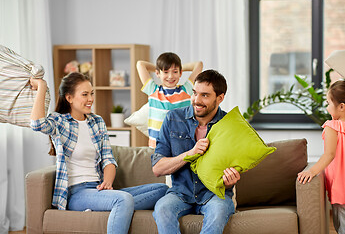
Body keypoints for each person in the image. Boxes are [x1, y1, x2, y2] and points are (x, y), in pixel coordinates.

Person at [30, 72, 168, 234]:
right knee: (123, 199)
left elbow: (108, 159)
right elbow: (37, 123)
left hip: (99, 189)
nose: (90, 99)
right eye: (85, 94)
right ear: (69, 98)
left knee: (162, 189)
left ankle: (109, 206)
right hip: (77, 193)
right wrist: (42, 87)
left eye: (92, 94)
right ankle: (115, 205)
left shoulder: (97, 122)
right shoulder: (60, 122)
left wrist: (108, 183)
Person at [151, 70, 240, 234]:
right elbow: (157, 168)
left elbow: (233, 171)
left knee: (219, 211)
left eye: (205, 95)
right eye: (194, 93)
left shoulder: (230, 126)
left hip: (215, 195)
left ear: (220, 98)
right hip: (180, 193)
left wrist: (230, 181)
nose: (196, 100)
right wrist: (189, 154)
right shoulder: (173, 118)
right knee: (162, 208)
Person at [297, 80, 345, 234]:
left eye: (328, 102)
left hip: (343, 190)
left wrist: (311, 171)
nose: (326, 107)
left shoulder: (333, 127)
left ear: (341, 106)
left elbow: (329, 155)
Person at [136, 52, 203, 148]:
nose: (171, 76)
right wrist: (161, 67)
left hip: (181, 145)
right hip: (157, 146)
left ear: (180, 73)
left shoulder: (186, 90)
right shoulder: (153, 90)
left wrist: (177, 67)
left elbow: (199, 64)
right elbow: (140, 64)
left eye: (175, 72)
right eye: (166, 72)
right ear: (157, 73)